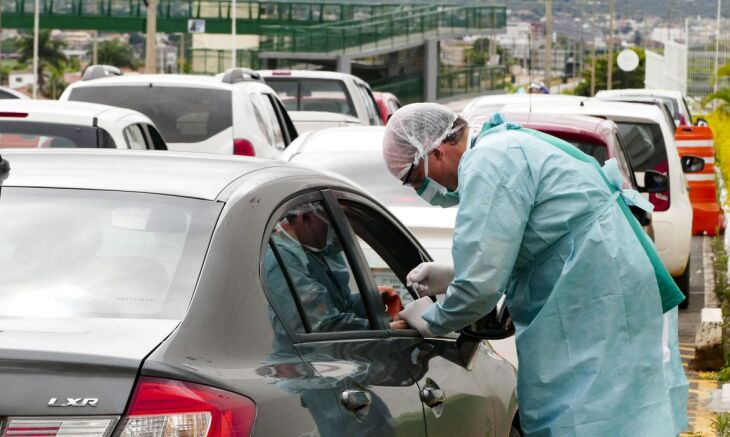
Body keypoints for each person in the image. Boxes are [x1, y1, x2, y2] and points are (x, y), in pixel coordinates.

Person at [383, 103, 688, 436]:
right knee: (607, 410)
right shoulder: (502, 148)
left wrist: (429, 320)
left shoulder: (489, 162)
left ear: (436, 152)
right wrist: (455, 274)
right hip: (598, 281)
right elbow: (520, 240)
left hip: (598, 291)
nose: (420, 190)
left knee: (593, 414)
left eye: (415, 179)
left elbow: (480, 286)